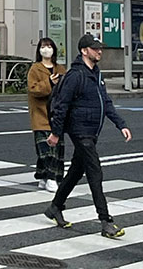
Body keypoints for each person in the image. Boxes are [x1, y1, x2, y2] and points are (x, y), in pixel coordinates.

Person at [45, 32, 132, 238]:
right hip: (80, 131)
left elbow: (106, 102)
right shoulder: (76, 75)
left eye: (100, 48)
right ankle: (106, 221)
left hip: (92, 131)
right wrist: (56, 133)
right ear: (84, 51)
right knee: (95, 172)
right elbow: (61, 105)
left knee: (76, 170)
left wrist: (121, 124)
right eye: (95, 48)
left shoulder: (96, 74)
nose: (99, 51)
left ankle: (55, 207)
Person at [27, 37, 66, 192]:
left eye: (49, 46)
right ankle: (51, 178)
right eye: (43, 46)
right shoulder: (35, 69)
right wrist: (49, 82)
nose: (47, 49)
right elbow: (34, 89)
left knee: (57, 149)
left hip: (57, 116)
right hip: (40, 115)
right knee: (45, 149)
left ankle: (44, 176)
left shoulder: (60, 69)